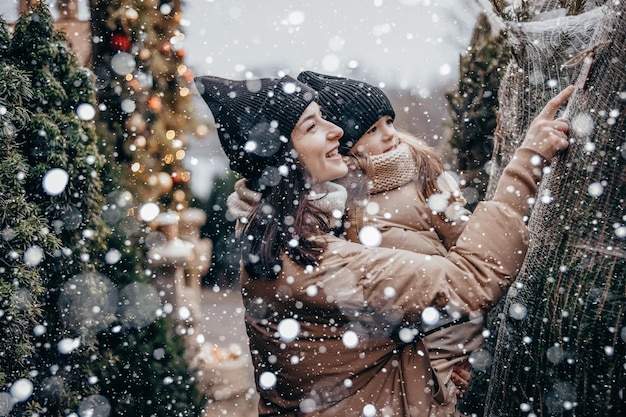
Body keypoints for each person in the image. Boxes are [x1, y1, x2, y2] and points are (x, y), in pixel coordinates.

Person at [194, 73, 573, 417]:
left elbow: (381, 326)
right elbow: (467, 281)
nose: (336, 131)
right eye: (312, 125)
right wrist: (527, 163)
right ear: (283, 157)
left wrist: (436, 356)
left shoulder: (283, 243)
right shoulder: (317, 263)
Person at [296, 71, 480, 415]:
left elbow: (466, 244)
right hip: (394, 344)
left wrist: (460, 350)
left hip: (447, 318)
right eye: (372, 130)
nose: (389, 134)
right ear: (345, 141)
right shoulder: (337, 198)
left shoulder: (422, 171)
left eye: (389, 121)